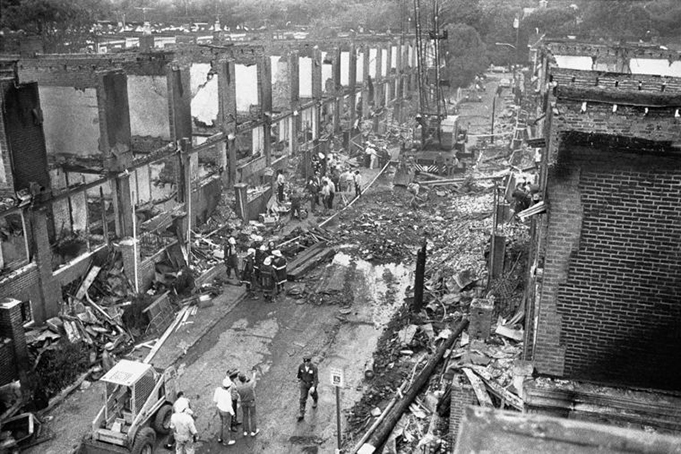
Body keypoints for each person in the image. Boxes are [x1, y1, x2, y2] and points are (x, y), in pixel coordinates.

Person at [213, 377, 236, 446]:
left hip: (219, 408)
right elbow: (229, 406)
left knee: (221, 423)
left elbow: (215, 400)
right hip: (226, 412)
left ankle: (220, 437)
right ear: (229, 387)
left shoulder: (218, 389)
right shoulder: (227, 394)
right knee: (226, 426)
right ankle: (226, 441)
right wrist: (233, 413)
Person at [236, 371, 259, 437]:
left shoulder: (239, 387)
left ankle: (245, 431)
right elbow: (253, 379)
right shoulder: (249, 385)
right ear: (245, 378)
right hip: (251, 401)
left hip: (243, 403)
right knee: (253, 415)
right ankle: (253, 431)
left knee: (245, 415)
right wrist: (254, 373)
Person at [297, 355, 319, 421]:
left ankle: (315, 400)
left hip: (311, 383)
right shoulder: (301, 366)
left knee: (313, 394)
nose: (306, 363)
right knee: (302, 398)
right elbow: (299, 374)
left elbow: (315, 378)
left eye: (308, 361)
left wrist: (314, 386)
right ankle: (301, 412)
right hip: (304, 383)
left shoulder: (314, 368)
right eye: (305, 361)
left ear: (310, 361)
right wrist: (300, 380)